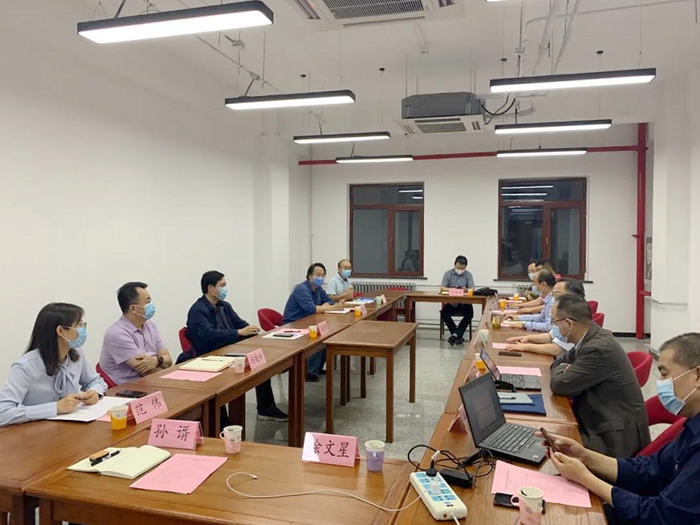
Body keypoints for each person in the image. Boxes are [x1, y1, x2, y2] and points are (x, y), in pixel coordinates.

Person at [546, 333, 700, 524]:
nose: (661, 383)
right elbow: (649, 470)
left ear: (697, 376)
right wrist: (584, 456)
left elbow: (659, 516)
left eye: (665, 374)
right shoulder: (692, 426)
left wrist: (586, 478)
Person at [549, 294, 650, 457]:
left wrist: (561, 369)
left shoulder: (598, 348)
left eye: (555, 322)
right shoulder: (591, 336)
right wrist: (563, 367)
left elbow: (560, 385)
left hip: (612, 436)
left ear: (569, 323)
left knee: (548, 448)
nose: (554, 327)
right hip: (599, 417)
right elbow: (561, 359)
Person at [185, 271, 287, 422]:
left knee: (259, 361)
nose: (225, 289)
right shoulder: (198, 310)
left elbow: (240, 324)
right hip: (210, 355)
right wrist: (238, 332)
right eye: (222, 285)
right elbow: (209, 334)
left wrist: (250, 329)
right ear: (211, 288)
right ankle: (223, 422)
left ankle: (266, 407)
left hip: (229, 350)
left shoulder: (224, 306)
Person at [0, 303, 107, 427]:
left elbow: (95, 381)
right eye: (79, 325)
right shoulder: (25, 366)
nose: (83, 330)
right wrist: (55, 408)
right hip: (34, 430)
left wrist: (94, 391)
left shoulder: (76, 354)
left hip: (68, 426)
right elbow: (3, 412)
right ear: (61, 331)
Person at [99, 282, 173, 385]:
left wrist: (157, 360)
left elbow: (168, 358)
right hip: (129, 389)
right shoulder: (117, 334)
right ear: (133, 308)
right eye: (147, 302)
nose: (151, 305)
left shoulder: (150, 325)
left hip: (151, 383)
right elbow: (146, 371)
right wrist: (164, 367)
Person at [283, 263, 343, 382]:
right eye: (317, 275)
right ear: (310, 275)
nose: (320, 278)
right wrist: (331, 308)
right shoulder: (302, 289)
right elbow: (311, 309)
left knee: (327, 337)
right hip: (294, 324)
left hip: (309, 322)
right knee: (318, 338)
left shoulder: (318, 289)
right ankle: (309, 372)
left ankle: (316, 368)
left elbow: (329, 300)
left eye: (322, 275)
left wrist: (326, 305)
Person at [506, 279, 586, 356]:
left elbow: (557, 349)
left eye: (557, 294)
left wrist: (526, 347)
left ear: (573, 297)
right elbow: (551, 335)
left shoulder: (575, 317)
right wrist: (527, 338)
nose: (553, 298)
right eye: (552, 294)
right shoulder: (562, 313)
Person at [440, 255, 475, 346]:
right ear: (454, 265)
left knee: (470, 313)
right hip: (452, 303)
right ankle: (457, 335)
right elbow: (442, 288)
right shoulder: (448, 274)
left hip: (464, 303)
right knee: (444, 313)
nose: (460, 270)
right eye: (458, 268)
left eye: (462, 268)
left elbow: (472, 289)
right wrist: (452, 290)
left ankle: (454, 335)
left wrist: (466, 290)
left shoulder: (468, 275)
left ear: (465, 267)